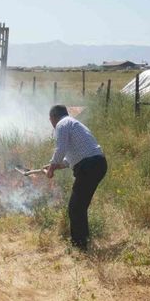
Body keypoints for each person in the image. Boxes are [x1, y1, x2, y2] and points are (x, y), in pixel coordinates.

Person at [43, 105, 107, 251]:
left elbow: (60, 148)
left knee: (75, 207)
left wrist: (52, 167)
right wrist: (57, 165)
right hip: (96, 164)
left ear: (53, 118)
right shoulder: (72, 123)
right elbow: (74, 156)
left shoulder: (62, 124)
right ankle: (82, 242)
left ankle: (79, 246)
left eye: (50, 120)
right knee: (79, 207)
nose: (51, 123)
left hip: (89, 166)